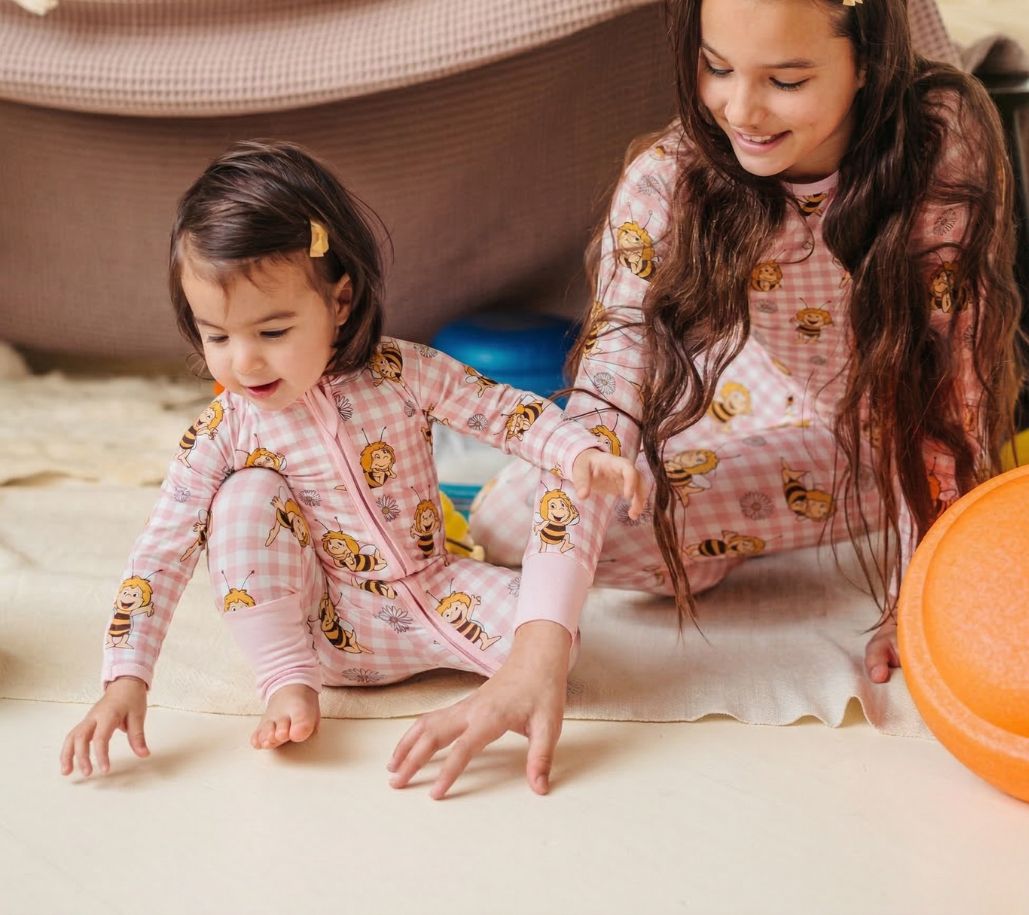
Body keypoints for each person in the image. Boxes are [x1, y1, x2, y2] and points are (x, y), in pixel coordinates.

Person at [471, 0, 1021, 686]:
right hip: (742, 390)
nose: (740, 111)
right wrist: (537, 648)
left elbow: (953, 380)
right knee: (502, 520)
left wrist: (925, 591)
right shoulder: (671, 176)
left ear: (868, 61)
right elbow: (606, 396)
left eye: (785, 81)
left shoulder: (938, 147)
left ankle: (760, 520)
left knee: (630, 524)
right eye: (716, 66)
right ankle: (719, 533)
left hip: (878, 435)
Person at [60, 141, 646, 797]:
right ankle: (284, 681)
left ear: (339, 302)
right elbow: (159, 555)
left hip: (439, 588)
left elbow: (501, 411)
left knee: (560, 641)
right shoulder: (223, 432)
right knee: (243, 495)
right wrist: (125, 680)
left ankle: (488, 674)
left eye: (273, 332)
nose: (244, 363)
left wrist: (578, 452)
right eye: (217, 336)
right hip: (328, 634)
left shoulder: (399, 372)